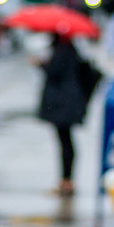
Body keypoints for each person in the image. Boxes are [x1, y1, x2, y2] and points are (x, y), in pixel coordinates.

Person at [36, 33, 96, 197]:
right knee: (66, 141)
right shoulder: (71, 50)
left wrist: (41, 64)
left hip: (63, 105)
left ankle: (66, 181)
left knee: (65, 142)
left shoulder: (62, 51)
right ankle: (66, 180)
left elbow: (54, 72)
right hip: (69, 103)